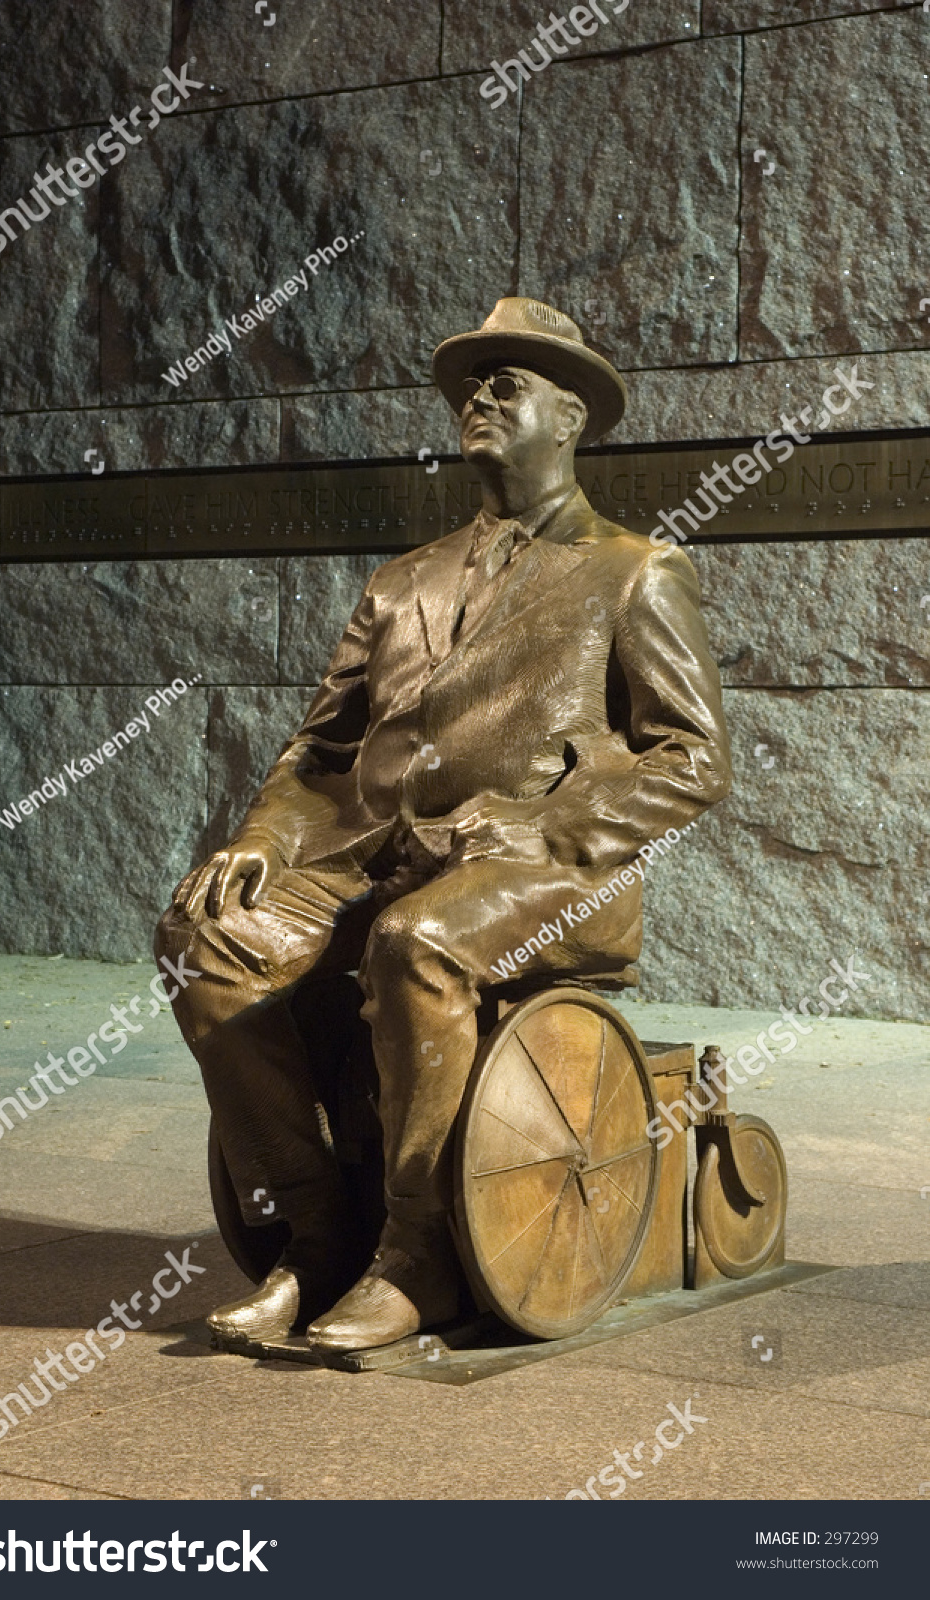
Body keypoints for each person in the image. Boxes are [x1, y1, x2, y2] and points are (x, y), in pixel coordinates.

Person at [155, 297, 731, 1352]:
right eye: (471, 383)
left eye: (508, 382)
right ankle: (321, 1231)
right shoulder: (401, 581)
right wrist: (263, 840)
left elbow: (689, 758)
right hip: (372, 862)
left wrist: (537, 829)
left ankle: (417, 1251)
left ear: (570, 417)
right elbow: (320, 752)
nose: (479, 396)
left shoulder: (631, 570)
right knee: (205, 942)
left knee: (417, 938)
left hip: (543, 871)